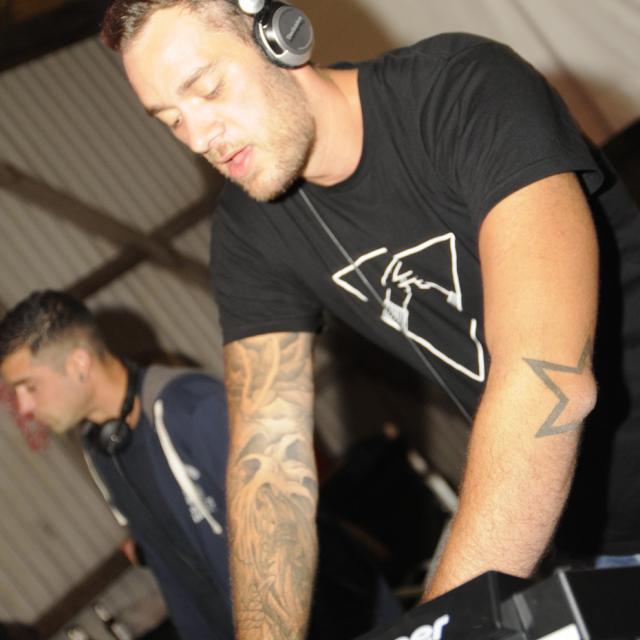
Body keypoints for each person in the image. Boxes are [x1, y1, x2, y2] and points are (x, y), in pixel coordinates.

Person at [100, 0, 640, 638]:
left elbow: (546, 377)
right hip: (583, 544)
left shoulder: (463, 89)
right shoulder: (250, 235)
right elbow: (269, 469)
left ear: (278, 38)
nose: (197, 137)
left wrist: (439, 630)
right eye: (170, 119)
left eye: (208, 89)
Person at [0, 290, 401, 640]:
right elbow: (180, 576)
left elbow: (297, 540)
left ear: (79, 364)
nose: (25, 408)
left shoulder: (195, 409)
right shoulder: (103, 452)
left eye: (28, 387)